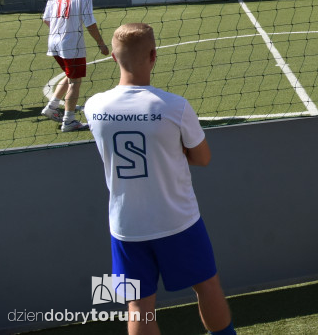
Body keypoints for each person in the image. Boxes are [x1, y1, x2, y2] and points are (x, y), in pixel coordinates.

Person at [84, 23, 236, 335]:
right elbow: (203, 158)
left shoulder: (94, 106)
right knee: (207, 287)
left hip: (126, 225)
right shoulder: (174, 106)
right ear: (154, 55)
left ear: (113, 57)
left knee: (138, 305)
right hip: (177, 220)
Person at [41, 0, 109, 132]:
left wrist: (60, 29)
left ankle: (51, 107)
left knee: (69, 75)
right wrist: (101, 44)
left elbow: (46, 19)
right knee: (75, 82)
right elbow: (90, 24)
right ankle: (69, 121)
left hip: (54, 42)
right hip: (71, 43)